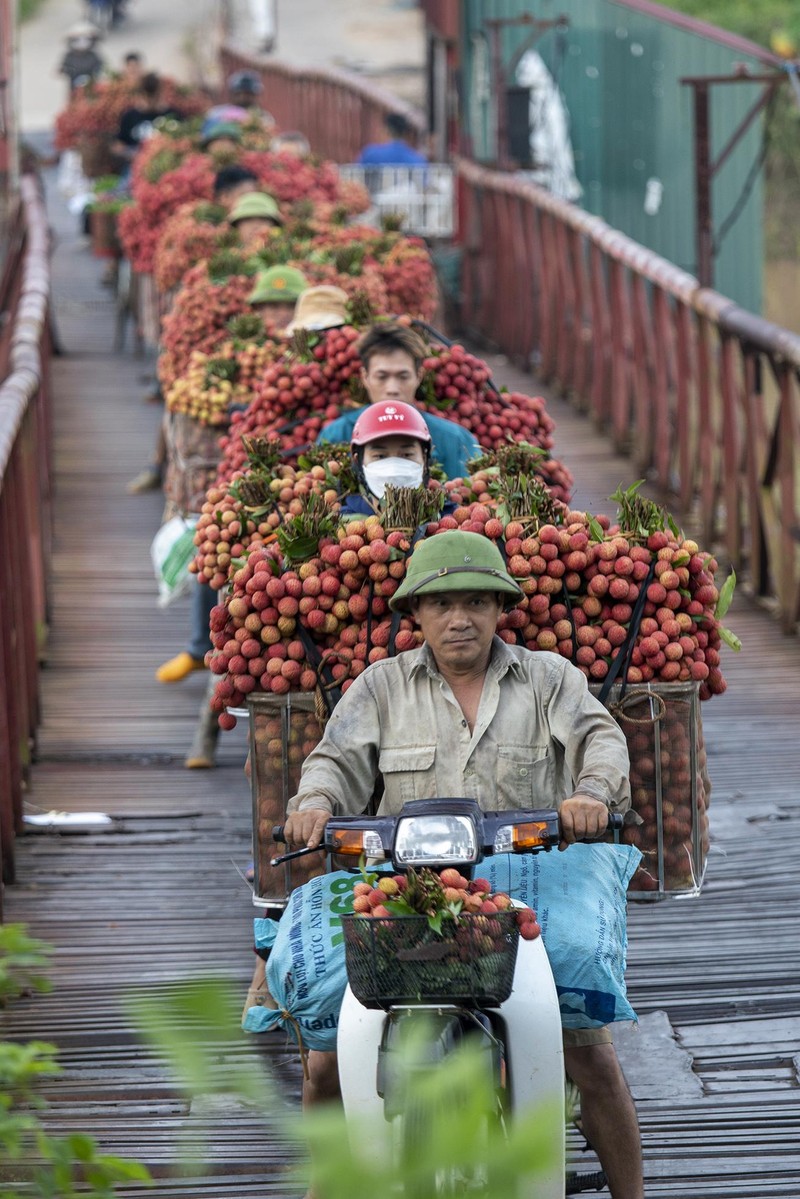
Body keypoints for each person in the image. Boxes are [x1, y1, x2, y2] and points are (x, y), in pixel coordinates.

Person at [282, 529, 644, 1199]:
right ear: (414, 613)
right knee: (325, 1060)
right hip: (408, 893)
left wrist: (592, 794)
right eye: (442, 604)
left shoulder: (547, 677)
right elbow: (333, 759)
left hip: (526, 888)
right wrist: (315, 802)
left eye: (477, 602)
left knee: (588, 1048)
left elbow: (599, 736)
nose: (460, 619)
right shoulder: (381, 687)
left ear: (500, 609)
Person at [160, 264, 309, 709]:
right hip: (262, 476)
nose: (280, 315)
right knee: (217, 543)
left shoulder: (315, 358)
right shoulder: (245, 355)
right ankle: (196, 646)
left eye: (288, 306)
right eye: (272, 306)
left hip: (305, 476)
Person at [318, 322, 480, 481]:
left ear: (419, 376)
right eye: (381, 376)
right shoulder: (335, 436)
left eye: (403, 376)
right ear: (365, 377)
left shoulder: (456, 441)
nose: (392, 388)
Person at [340, 399, 437, 515]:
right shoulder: (341, 522)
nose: (393, 469)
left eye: (406, 454)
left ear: (425, 459)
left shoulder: (449, 518)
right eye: (380, 456)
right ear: (358, 461)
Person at [113, 72, 185, 164]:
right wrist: (130, 153)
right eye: (148, 97)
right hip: (137, 165)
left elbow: (184, 140)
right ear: (141, 94)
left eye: (154, 97)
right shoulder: (129, 116)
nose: (151, 101)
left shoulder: (172, 115)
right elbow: (118, 145)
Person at [357, 111, 428, 167]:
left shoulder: (370, 154)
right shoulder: (418, 159)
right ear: (405, 133)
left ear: (386, 130)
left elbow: (357, 179)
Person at [58, 21, 104, 96]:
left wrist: (97, 70)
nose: (82, 43)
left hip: (91, 86)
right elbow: (63, 67)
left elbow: (100, 65)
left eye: (86, 39)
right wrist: (63, 70)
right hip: (74, 87)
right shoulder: (69, 56)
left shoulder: (93, 55)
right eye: (77, 40)